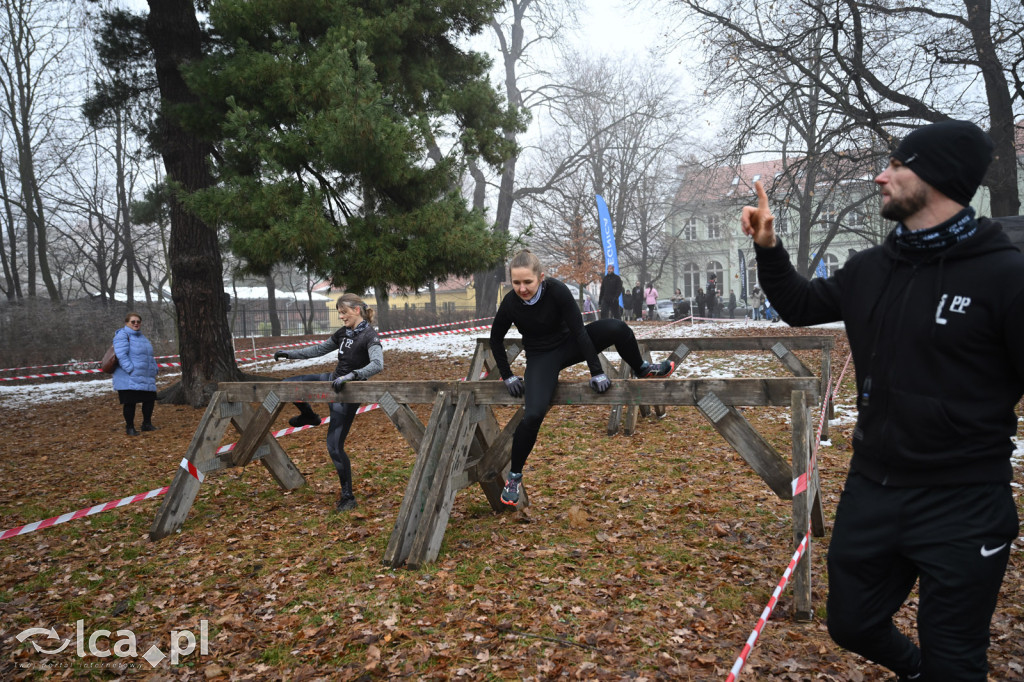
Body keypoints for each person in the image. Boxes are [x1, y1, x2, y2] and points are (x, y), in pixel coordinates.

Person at [740, 120, 1023, 681]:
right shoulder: (872, 268)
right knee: (850, 623)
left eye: (896, 165)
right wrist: (768, 247)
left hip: (964, 500)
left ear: (935, 177)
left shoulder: (1006, 275)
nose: (880, 176)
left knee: (955, 660)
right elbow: (799, 303)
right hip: (876, 488)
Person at [490, 250, 676, 507]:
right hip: (541, 356)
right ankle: (514, 477)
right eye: (516, 282)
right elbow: (495, 339)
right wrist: (507, 376)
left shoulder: (557, 291)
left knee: (617, 328)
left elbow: (579, 331)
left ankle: (642, 368)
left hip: (570, 343)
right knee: (532, 415)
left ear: (541, 278)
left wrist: (596, 371)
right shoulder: (510, 303)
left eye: (528, 282)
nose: (522, 288)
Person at [273, 293, 383, 511]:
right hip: (332, 380)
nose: (341, 317)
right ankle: (309, 416)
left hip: (347, 393)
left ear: (356, 310)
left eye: (344, 312)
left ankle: (348, 496)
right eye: (339, 313)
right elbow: (319, 349)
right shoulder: (344, 333)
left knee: (334, 447)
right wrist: (290, 354)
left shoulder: (369, 336)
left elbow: (377, 364)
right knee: (288, 385)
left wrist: (353, 376)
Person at [111, 312, 159, 436]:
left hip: (146, 375)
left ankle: (146, 424)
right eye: (133, 322)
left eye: (138, 321)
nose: (136, 324)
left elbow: (149, 356)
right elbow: (121, 355)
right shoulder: (122, 335)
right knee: (130, 402)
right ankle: (130, 427)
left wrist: (154, 368)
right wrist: (130, 369)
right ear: (127, 323)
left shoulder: (143, 338)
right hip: (129, 377)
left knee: (149, 399)